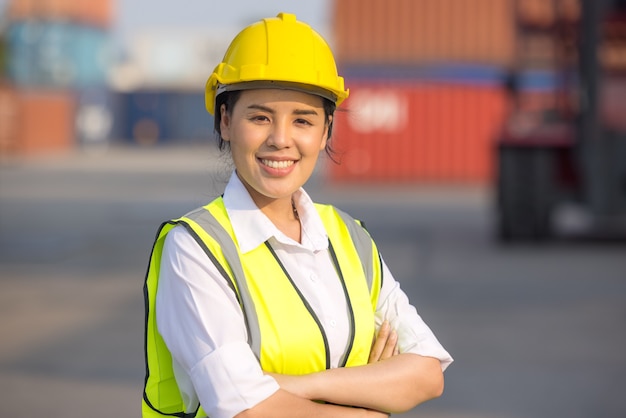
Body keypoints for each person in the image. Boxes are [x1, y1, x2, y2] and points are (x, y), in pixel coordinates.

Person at [142, 12, 453, 418]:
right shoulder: (196, 248)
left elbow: (428, 372)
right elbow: (245, 408)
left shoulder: (349, 237)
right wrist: (366, 402)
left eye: (303, 120)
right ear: (225, 121)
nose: (281, 139)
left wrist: (294, 386)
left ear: (325, 132)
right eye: (260, 117)